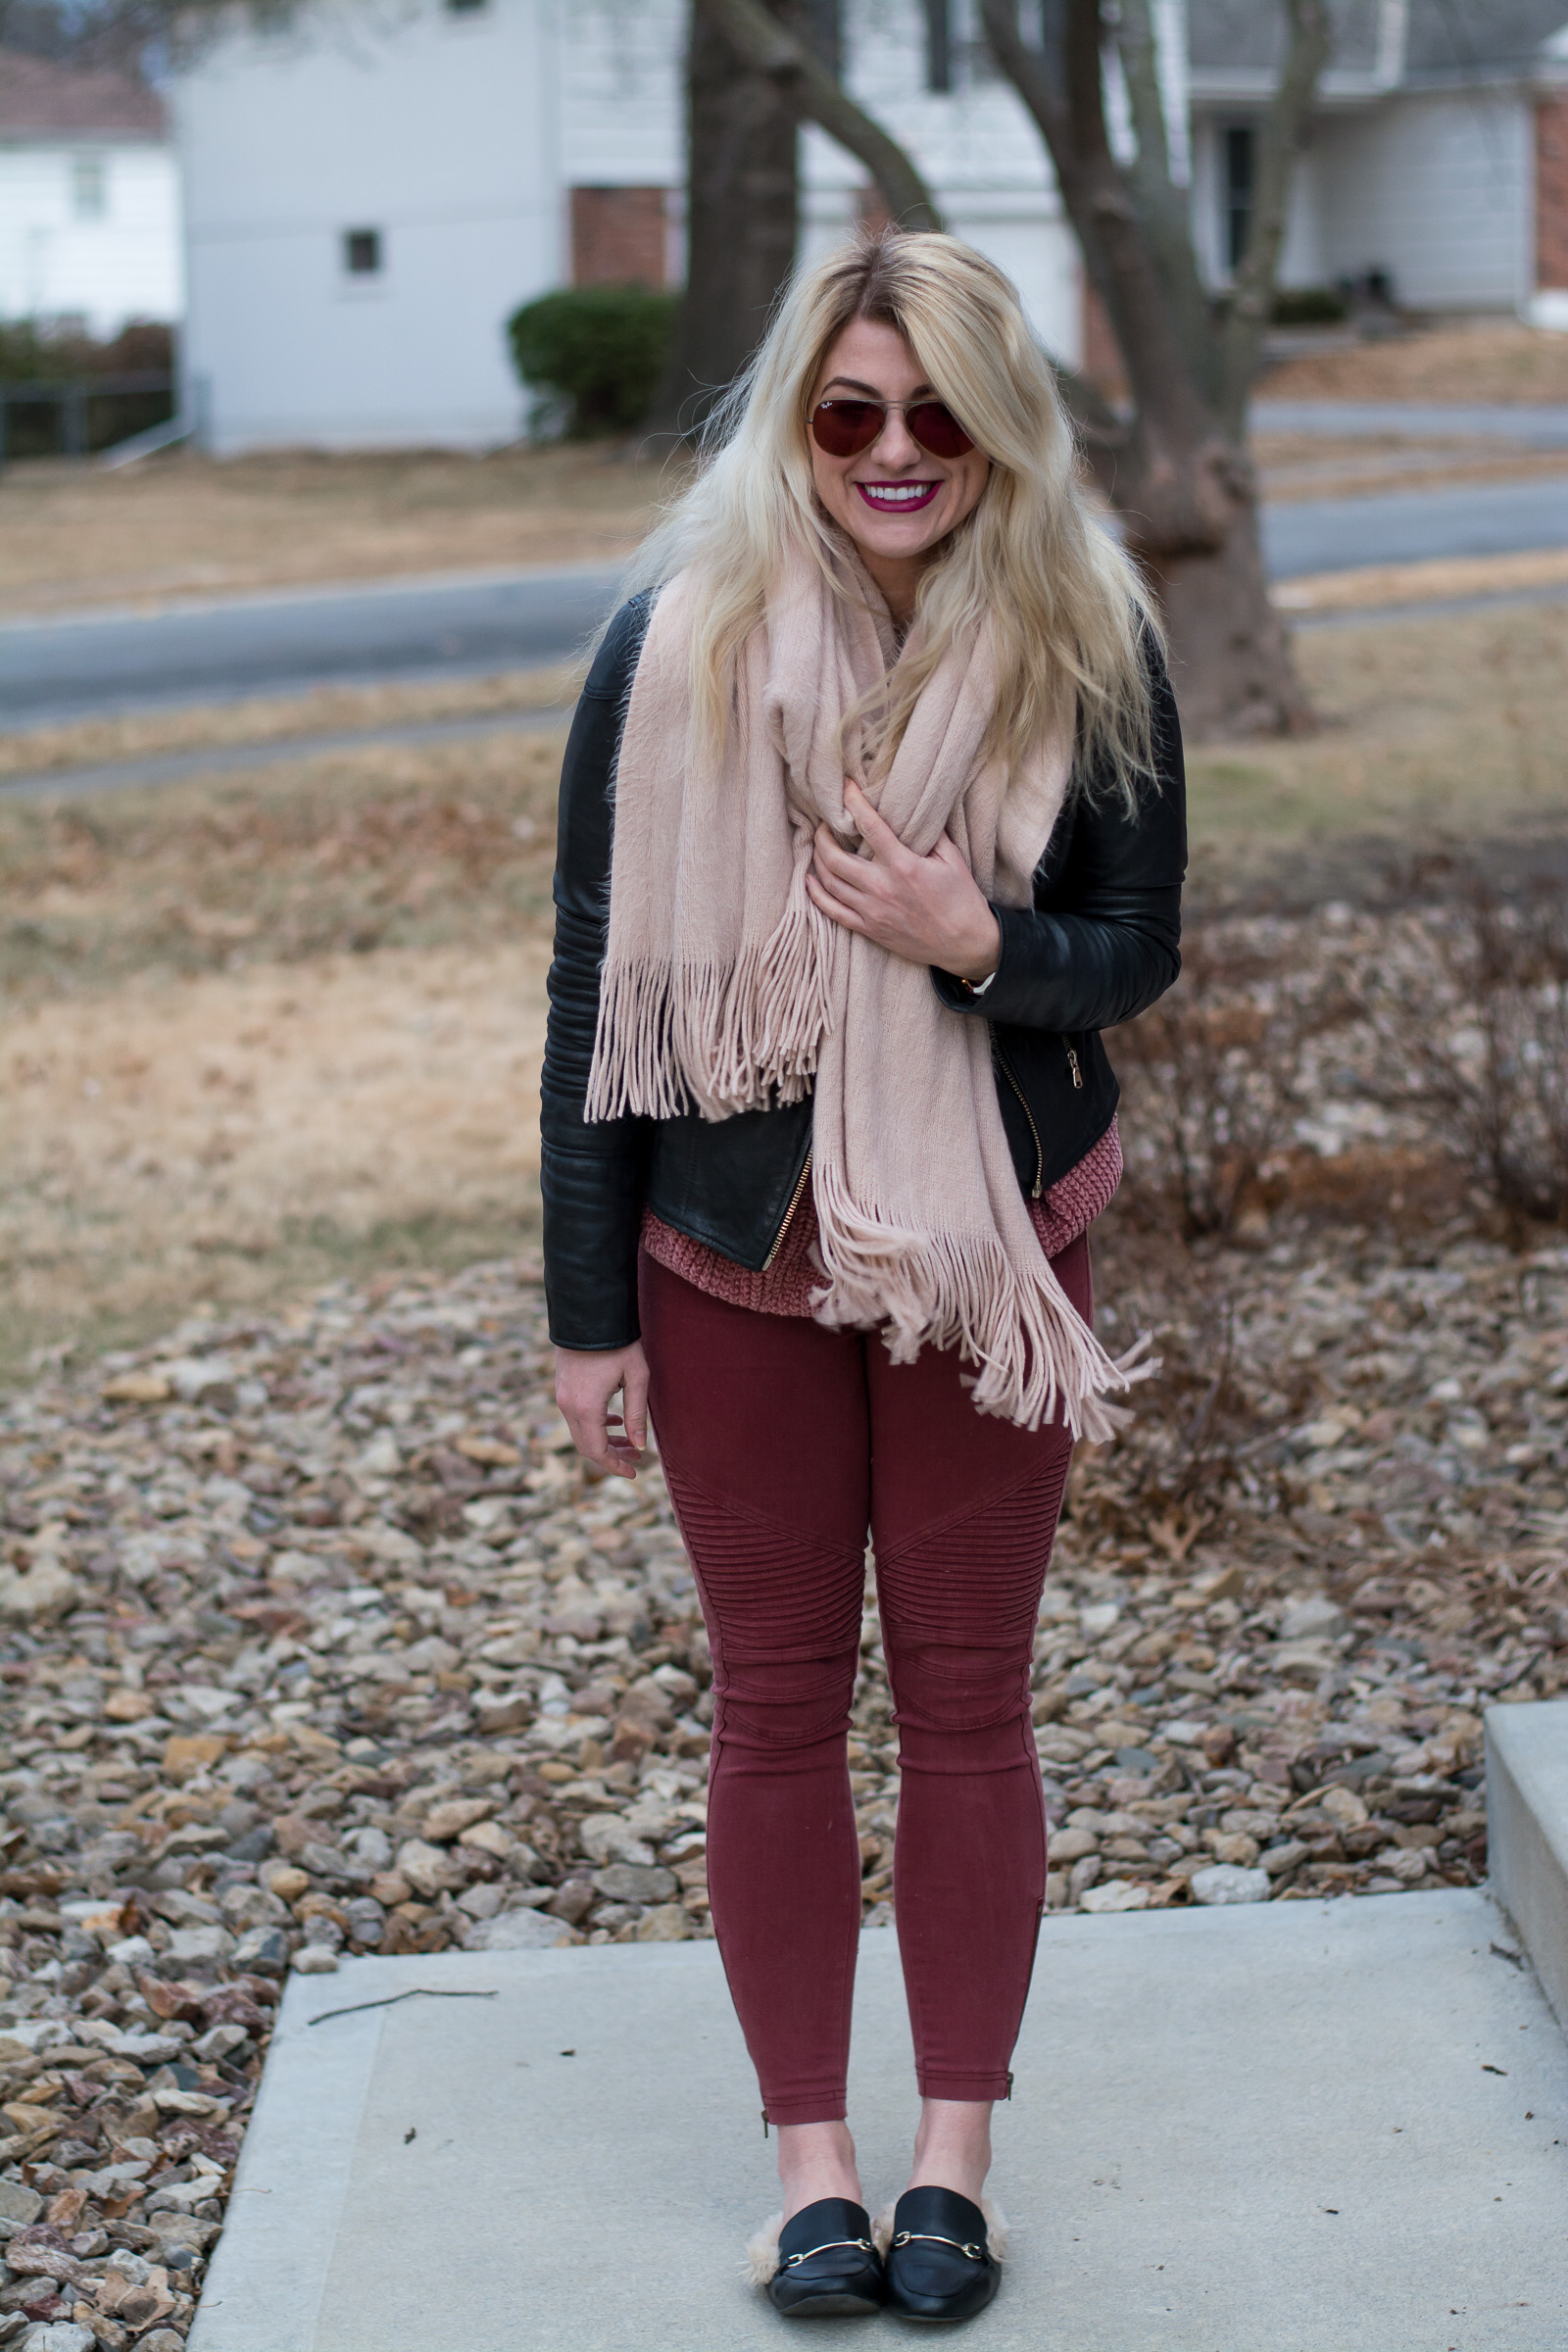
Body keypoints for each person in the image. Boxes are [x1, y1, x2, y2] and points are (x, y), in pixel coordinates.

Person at [541, 227, 1185, 2325]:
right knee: (773, 1707)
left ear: (997, 425)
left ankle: (951, 2168)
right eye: (847, 412)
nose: (890, 451)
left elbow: (1131, 945)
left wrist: (969, 940)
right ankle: (811, 2166)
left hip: (993, 1244)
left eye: (933, 414)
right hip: (728, 1261)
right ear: (796, 427)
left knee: (970, 1708)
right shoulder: (674, 652)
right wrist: (581, 1310)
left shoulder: (1090, 638)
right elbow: (597, 999)